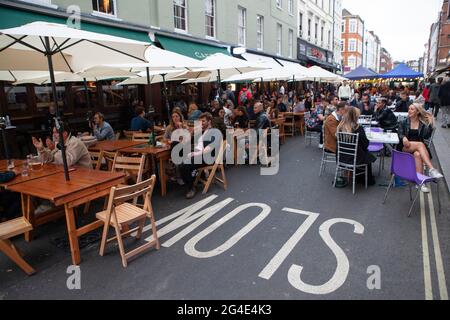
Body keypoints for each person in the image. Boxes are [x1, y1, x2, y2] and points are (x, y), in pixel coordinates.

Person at [397, 103, 443, 193]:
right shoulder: (404, 122)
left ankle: (420, 183)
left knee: (417, 154)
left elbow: (426, 136)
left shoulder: (422, 124)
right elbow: (400, 133)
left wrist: (429, 123)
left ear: (418, 112)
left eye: (412, 109)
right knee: (420, 145)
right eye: (409, 108)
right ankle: (431, 169)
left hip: (418, 150)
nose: (409, 110)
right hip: (406, 147)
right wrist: (403, 138)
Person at [180, 113, 219, 199]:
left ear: (209, 121)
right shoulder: (202, 131)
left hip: (207, 157)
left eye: (203, 121)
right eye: (200, 121)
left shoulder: (214, 132)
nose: (201, 123)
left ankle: (191, 188)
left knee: (185, 165)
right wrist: (191, 132)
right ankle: (192, 181)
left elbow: (208, 149)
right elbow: (189, 142)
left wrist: (194, 154)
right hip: (199, 154)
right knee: (180, 162)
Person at [337, 107, 376, 186]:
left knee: (364, 153)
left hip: (341, 157)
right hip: (355, 158)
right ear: (355, 117)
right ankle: (366, 180)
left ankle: (359, 177)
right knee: (367, 154)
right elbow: (365, 144)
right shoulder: (358, 128)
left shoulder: (340, 127)